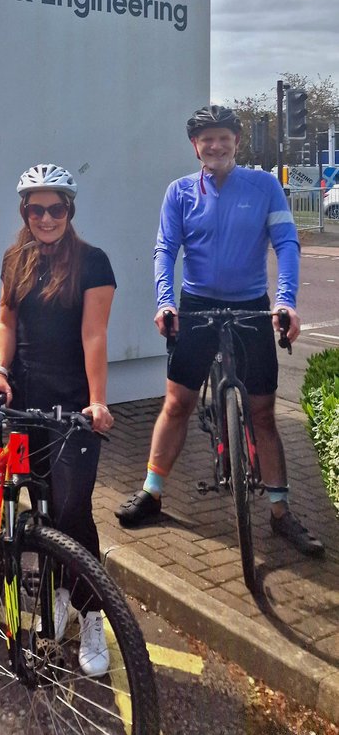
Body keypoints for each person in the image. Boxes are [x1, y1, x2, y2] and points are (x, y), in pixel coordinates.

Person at [116, 105, 324, 557]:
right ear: (195, 146)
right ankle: (152, 492)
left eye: (223, 136)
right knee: (178, 403)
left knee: (264, 413)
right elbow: (165, 248)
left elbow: (286, 243)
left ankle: (281, 509)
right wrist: (165, 301)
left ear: (237, 141)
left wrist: (285, 301)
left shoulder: (264, 186)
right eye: (205, 138)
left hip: (250, 305)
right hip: (197, 305)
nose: (214, 145)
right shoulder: (180, 192)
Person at [0, 163, 116, 677]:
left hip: (73, 404)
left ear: (69, 211)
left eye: (55, 208)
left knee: (73, 509)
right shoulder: (15, 258)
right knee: (31, 505)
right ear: (25, 212)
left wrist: (98, 400)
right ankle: (58, 592)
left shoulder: (93, 262)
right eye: (36, 209)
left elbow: (94, 336)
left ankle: (92, 613)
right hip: (22, 399)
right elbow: (5, 320)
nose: (45, 218)